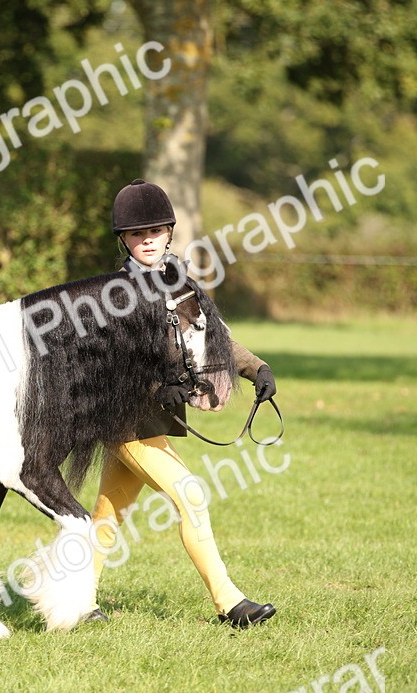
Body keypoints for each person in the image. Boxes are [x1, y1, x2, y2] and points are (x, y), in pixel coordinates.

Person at [85, 179, 277, 629]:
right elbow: (110, 362)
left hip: (152, 423)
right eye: (136, 233)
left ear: (169, 231)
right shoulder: (114, 295)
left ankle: (76, 598)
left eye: (154, 230)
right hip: (125, 420)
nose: (146, 239)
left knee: (107, 514)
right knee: (191, 495)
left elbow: (214, 337)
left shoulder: (183, 284)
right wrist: (155, 389)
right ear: (124, 240)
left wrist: (256, 369)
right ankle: (231, 604)